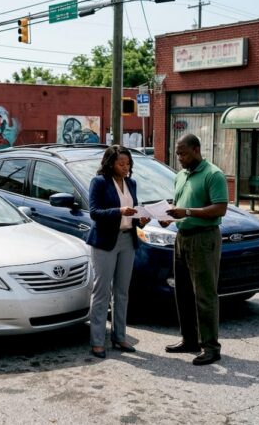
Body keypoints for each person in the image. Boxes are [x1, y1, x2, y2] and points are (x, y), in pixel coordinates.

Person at [159, 134, 228, 366]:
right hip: (182, 237)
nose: (179, 158)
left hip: (204, 238)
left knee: (205, 294)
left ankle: (211, 347)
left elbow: (220, 208)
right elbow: (178, 205)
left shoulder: (213, 174)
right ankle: (189, 339)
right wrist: (168, 217)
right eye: (177, 154)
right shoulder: (180, 175)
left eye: (183, 153)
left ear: (197, 150)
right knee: (183, 292)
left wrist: (187, 212)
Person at [86, 145, 150, 358]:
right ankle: (97, 341)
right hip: (104, 242)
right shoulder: (99, 182)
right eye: (121, 163)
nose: (125, 167)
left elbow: (133, 214)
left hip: (127, 240)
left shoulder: (131, 183)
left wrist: (141, 219)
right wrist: (119, 211)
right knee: (102, 291)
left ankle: (119, 337)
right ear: (110, 163)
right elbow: (94, 212)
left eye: (128, 164)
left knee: (122, 292)